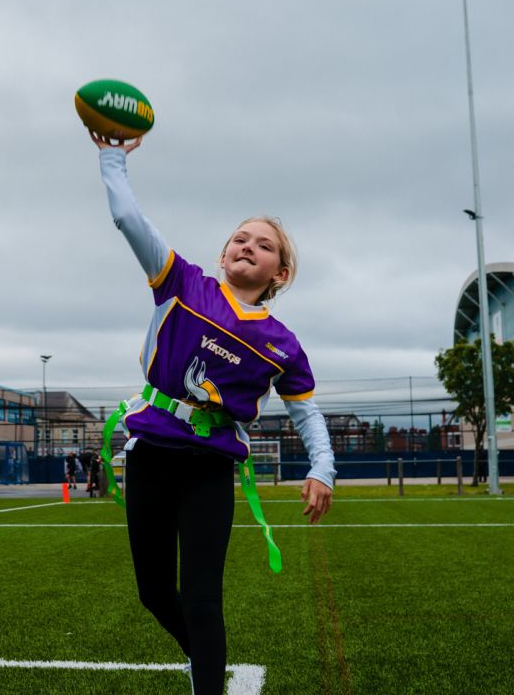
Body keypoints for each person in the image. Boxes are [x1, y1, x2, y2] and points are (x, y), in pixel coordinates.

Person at [91, 132, 335, 694]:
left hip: (208, 471)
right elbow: (129, 219)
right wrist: (112, 158)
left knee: (202, 598)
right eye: (239, 239)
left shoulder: (283, 345)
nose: (248, 246)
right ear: (224, 254)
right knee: (154, 594)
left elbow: (308, 415)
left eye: (264, 245)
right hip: (149, 457)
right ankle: (203, 662)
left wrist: (322, 467)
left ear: (280, 273)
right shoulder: (182, 285)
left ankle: (206, 683)